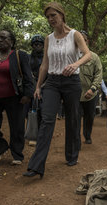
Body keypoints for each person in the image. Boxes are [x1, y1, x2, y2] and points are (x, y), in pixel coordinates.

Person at [23, 2, 91, 179]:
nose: (50, 19)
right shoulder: (48, 38)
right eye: (48, 17)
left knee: (73, 119)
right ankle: (36, 166)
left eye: (53, 15)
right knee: (46, 120)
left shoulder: (75, 35)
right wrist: (38, 86)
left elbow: (87, 54)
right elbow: (45, 64)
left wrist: (75, 64)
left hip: (72, 82)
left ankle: (71, 155)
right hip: (52, 82)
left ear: (62, 15)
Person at [0, 29, 34, 165]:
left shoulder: (19, 55)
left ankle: (17, 154)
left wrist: (28, 95)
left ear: (11, 41)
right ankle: (0, 145)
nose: (0, 40)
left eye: (3, 38)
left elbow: (28, 76)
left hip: (14, 97)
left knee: (17, 127)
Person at [78, 30, 103, 144]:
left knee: (89, 117)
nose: (81, 42)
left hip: (90, 95)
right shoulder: (72, 56)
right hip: (75, 94)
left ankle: (87, 136)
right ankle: (75, 138)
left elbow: (99, 74)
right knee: (75, 117)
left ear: (87, 41)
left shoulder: (94, 57)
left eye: (83, 40)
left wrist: (92, 89)